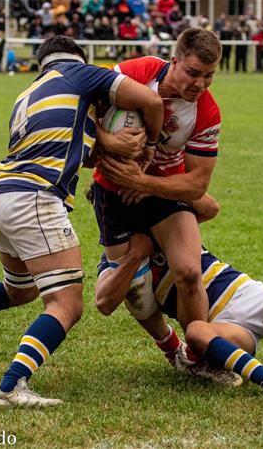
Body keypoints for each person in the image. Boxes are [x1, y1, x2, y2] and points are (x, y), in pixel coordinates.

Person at [0, 36, 164, 408]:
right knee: (67, 303)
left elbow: (76, 148)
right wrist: (148, 149)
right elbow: (151, 100)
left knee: (19, 290)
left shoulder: (30, 94)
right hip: (34, 197)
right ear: (78, 58)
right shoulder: (80, 74)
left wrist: (109, 144)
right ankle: (10, 387)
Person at [94, 223, 263, 401]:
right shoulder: (115, 262)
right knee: (196, 332)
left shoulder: (169, 221)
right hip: (219, 330)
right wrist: (135, 255)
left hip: (247, 294)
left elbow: (209, 205)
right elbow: (104, 301)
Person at [93, 29, 222, 336]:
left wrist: (143, 182)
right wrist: (109, 140)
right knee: (134, 291)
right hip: (113, 188)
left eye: (209, 76)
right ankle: (171, 348)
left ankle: (201, 355)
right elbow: (80, 105)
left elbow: (197, 184)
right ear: (174, 61)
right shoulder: (140, 72)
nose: (200, 84)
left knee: (190, 273)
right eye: (193, 73)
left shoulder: (206, 111)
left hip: (164, 190)